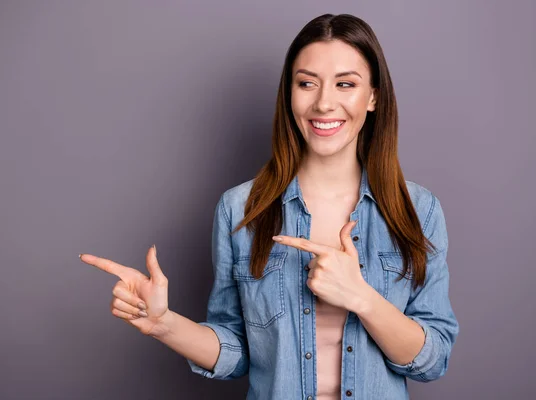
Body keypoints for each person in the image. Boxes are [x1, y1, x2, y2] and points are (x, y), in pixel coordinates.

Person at [79, 13, 459, 400]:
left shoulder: (418, 210)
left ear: (373, 96)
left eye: (346, 84)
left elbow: (433, 359)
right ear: (289, 93)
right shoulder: (241, 209)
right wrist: (161, 323)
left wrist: (361, 297)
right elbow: (236, 351)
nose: (324, 103)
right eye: (307, 83)